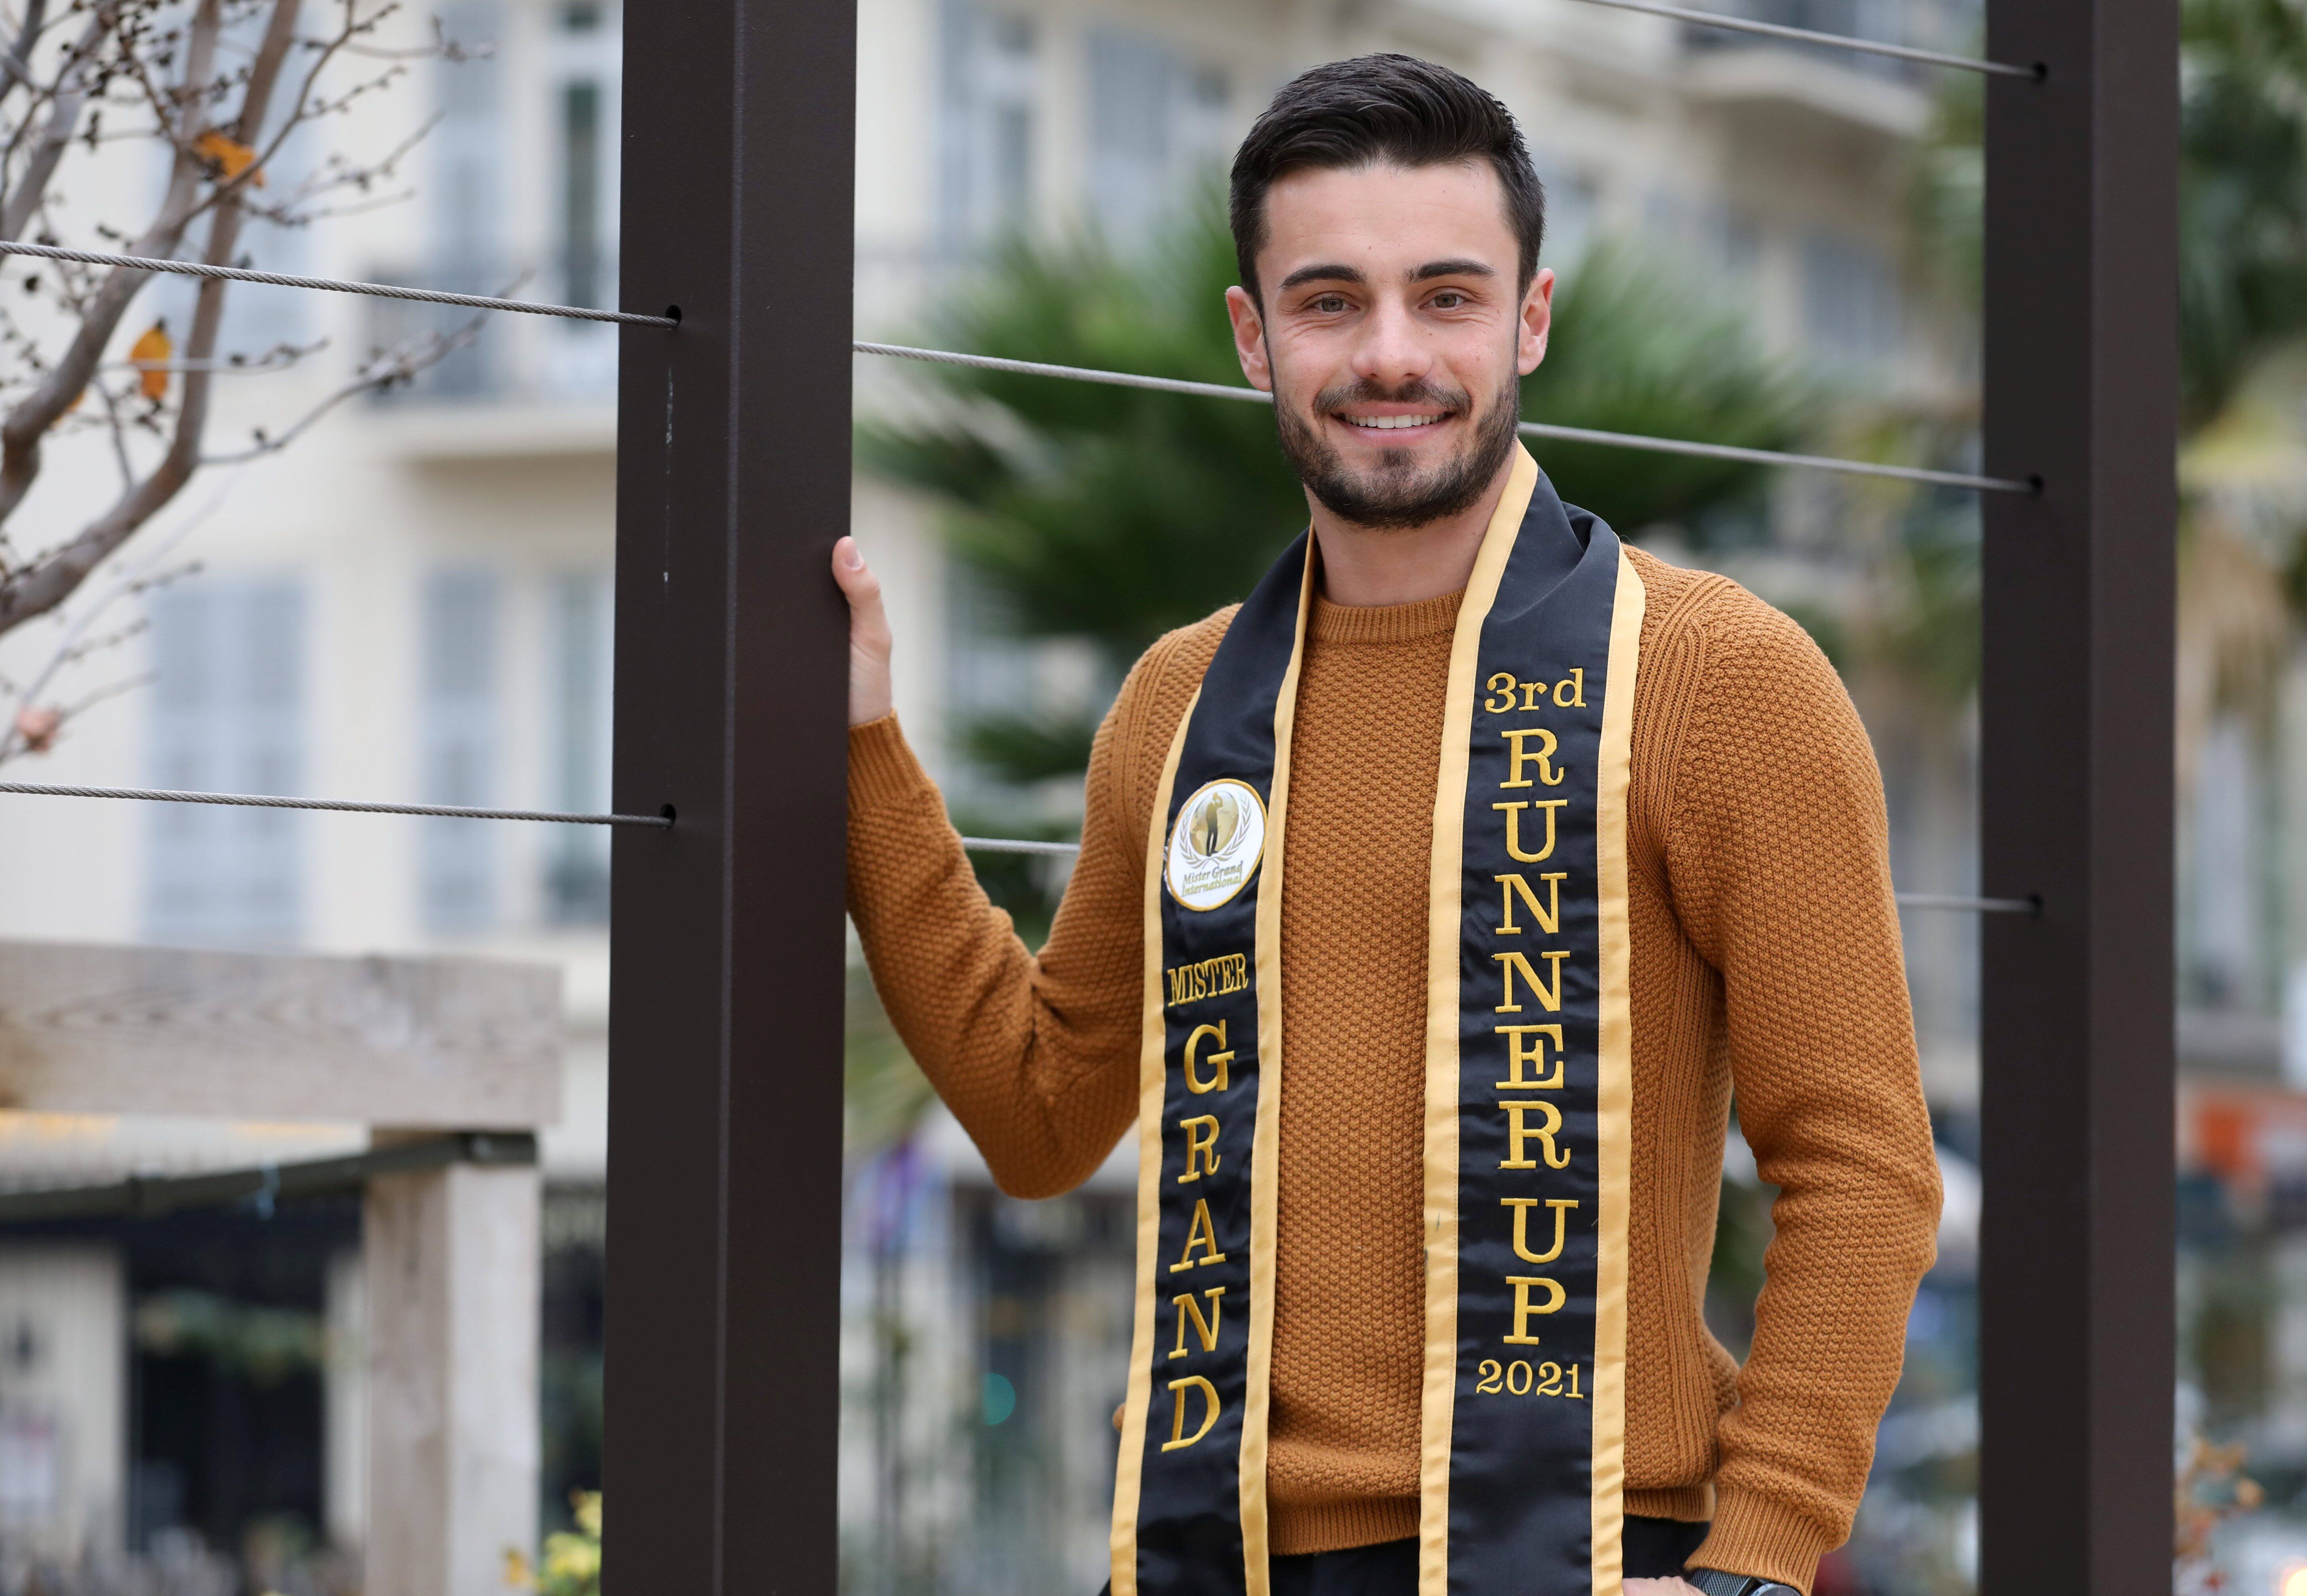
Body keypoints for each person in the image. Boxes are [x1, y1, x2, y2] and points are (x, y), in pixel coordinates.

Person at [831, 53, 1940, 1596]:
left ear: (1532, 320)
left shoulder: (1713, 677)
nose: (1391, 353)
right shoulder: (1181, 704)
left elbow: (1861, 1162)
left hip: (1598, 1555)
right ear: (1253, 336)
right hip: (1213, 1558)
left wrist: (1754, 1565)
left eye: (1448, 295)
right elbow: (1039, 1113)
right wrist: (867, 748)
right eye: (1333, 300)